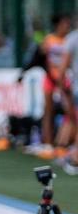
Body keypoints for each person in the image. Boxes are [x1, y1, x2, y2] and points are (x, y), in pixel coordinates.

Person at [39, 13, 74, 153]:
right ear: (58, 25)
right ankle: (47, 143)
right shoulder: (49, 40)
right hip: (50, 78)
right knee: (48, 111)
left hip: (64, 78)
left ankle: (66, 141)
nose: (67, 26)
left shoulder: (69, 40)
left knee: (70, 111)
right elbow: (41, 58)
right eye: (65, 23)